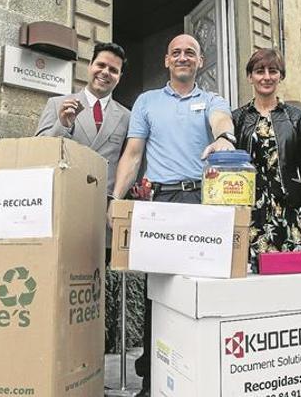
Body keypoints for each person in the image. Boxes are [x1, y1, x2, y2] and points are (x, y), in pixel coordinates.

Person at [110, 34, 235, 396]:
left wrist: (225, 138)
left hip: (202, 201)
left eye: (190, 53)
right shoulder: (147, 102)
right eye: (177, 52)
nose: (183, 58)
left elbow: (221, 120)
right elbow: (133, 155)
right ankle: (152, 381)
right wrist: (116, 200)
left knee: (200, 292)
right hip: (161, 203)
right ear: (167, 60)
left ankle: (199, 378)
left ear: (201, 62)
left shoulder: (211, 98)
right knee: (158, 293)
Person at [232, 49, 301, 271]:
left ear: (280, 76)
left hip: (288, 209)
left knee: (290, 274)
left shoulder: (295, 117)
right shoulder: (238, 118)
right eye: (259, 71)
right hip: (251, 212)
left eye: (273, 71)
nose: (266, 77)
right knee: (252, 274)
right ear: (249, 77)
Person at [35, 42, 130, 196]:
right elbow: (39, 152)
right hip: (62, 194)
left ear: (119, 77)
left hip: (103, 201)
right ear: (90, 65)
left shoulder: (127, 117)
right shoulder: (57, 104)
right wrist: (63, 124)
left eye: (113, 70)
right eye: (101, 65)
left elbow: (128, 162)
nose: (105, 72)